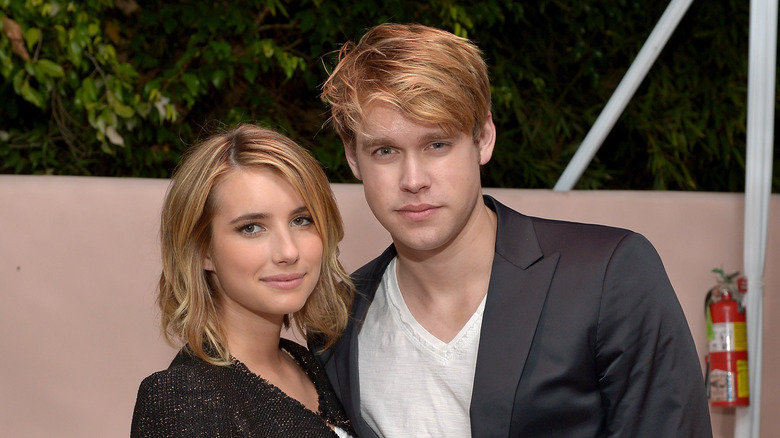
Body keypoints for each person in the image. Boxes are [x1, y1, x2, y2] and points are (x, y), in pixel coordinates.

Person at [312, 23, 712, 437]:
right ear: (354, 159)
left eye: (437, 144)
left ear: (483, 138)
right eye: (385, 151)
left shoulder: (608, 274)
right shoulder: (336, 324)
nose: (413, 179)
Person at [131, 124, 356, 437]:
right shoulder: (184, 396)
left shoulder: (309, 363)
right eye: (252, 228)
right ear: (203, 250)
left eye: (301, 220)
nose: (288, 251)